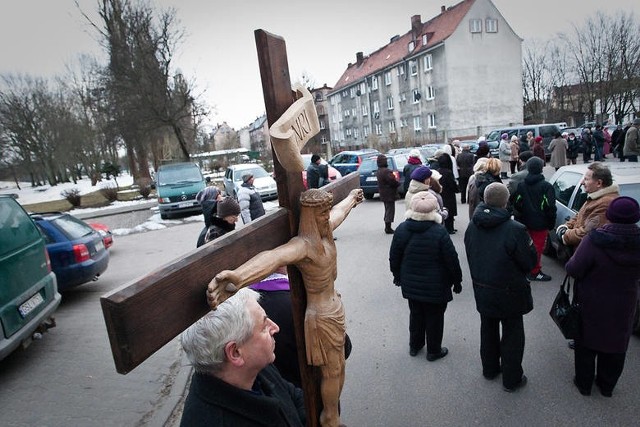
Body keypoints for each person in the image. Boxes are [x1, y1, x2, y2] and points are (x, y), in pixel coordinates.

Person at [207, 188, 364, 427]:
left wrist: (352, 198)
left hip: (334, 307)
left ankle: (333, 413)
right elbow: (272, 258)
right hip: (321, 315)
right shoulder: (303, 246)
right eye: (320, 214)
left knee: (338, 368)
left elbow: (338, 212)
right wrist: (238, 277)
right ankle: (330, 417)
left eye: (325, 212)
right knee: (332, 371)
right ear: (310, 216)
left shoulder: (324, 231)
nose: (325, 217)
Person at [179, 288, 306, 427]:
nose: (275, 328)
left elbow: (295, 397)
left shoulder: (255, 368)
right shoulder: (216, 420)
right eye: (264, 326)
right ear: (235, 353)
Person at [464, 183, 537, 392]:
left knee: (487, 328)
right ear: (506, 202)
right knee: (513, 333)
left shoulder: (472, 225)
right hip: (510, 291)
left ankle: (490, 369)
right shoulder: (515, 229)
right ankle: (512, 379)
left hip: (482, 287)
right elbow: (529, 262)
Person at [565, 196, 640, 397]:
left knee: (586, 341)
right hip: (625, 302)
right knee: (616, 343)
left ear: (610, 215)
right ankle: (606, 386)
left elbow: (573, 268)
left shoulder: (595, 240)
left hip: (591, 299)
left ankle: (584, 384)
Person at [390, 191, 463, 360]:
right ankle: (433, 351)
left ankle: (414, 346)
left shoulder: (402, 229)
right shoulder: (439, 232)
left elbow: (394, 256)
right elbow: (452, 260)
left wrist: (397, 275)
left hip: (411, 283)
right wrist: (457, 281)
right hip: (436, 286)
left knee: (415, 314)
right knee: (435, 317)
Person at [511, 157, 557, 281]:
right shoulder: (546, 186)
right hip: (540, 223)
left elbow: (517, 202)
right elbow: (550, 207)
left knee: (526, 246)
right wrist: (551, 223)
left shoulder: (522, 185)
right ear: (541, 169)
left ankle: (526, 268)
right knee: (537, 247)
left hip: (524, 222)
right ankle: (535, 272)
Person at [556, 162, 620, 250]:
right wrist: (566, 226)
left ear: (599, 183)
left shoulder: (606, 204)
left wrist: (565, 235)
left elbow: (588, 232)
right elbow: (580, 215)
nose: (582, 182)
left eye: (586, 179)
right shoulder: (594, 197)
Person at [376, 155, 400, 234]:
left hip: (383, 193)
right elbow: (392, 181)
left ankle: (387, 226)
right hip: (389, 193)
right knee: (390, 210)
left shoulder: (379, 170)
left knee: (387, 209)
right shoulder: (386, 171)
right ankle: (388, 228)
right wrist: (397, 183)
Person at [437, 153, 459, 234]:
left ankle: (448, 227)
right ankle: (450, 228)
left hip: (441, 194)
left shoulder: (438, 171)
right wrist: (457, 189)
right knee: (450, 211)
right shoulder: (448, 172)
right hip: (449, 194)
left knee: (444, 209)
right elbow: (452, 184)